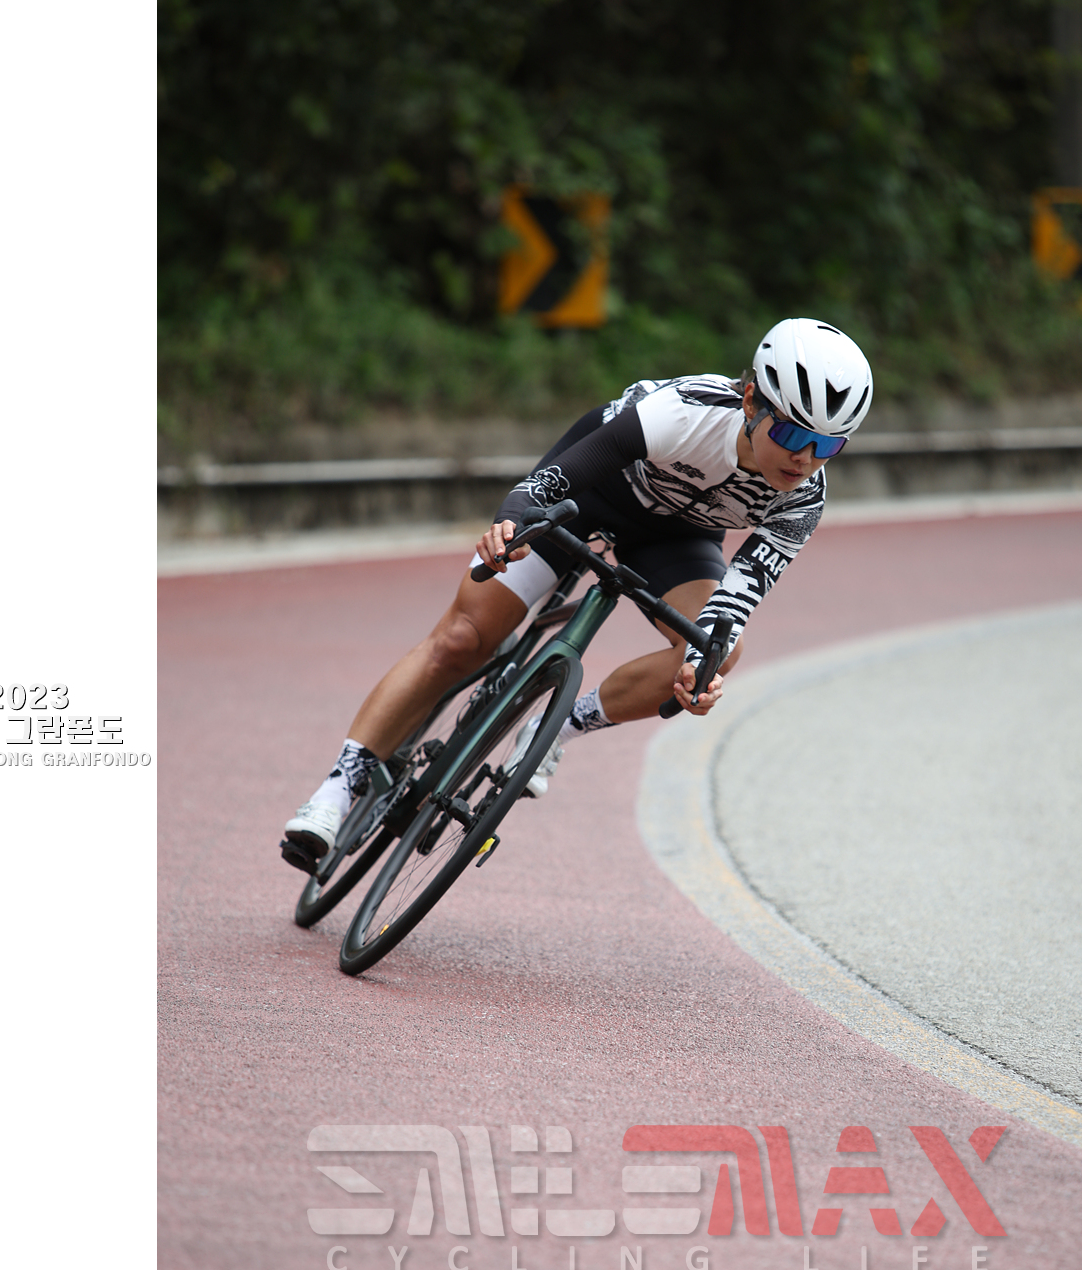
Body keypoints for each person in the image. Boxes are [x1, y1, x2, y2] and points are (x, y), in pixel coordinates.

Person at [280, 317, 874, 873]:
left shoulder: (804, 500)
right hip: (591, 492)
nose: (804, 458)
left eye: (828, 445)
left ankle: (557, 727)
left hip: (677, 537)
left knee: (719, 651)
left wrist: (700, 672)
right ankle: (338, 788)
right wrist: (510, 526)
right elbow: (549, 483)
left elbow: (734, 604)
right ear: (750, 402)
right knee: (462, 638)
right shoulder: (685, 412)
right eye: (791, 432)